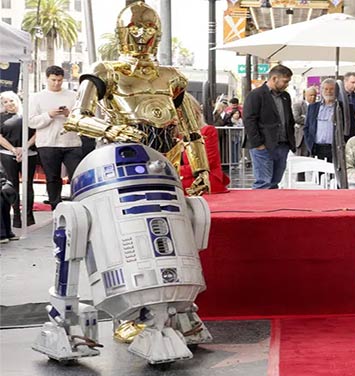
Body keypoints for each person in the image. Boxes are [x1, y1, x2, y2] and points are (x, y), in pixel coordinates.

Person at [63, 1, 211, 196]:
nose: (142, 34)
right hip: (124, 154)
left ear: (157, 33)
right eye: (134, 28)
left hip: (168, 159)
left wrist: (201, 170)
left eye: (149, 28)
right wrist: (112, 130)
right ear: (122, 32)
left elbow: (191, 131)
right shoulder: (105, 71)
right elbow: (76, 118)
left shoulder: (172, 76)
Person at [28, 65, 82, 210]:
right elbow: (31, 121)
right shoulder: (36, 97)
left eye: (59, 80)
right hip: (48, 143)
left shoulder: (73, 95)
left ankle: (79, 205)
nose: (56, 83)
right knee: (52, 178)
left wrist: (68, 114)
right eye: (53, 80)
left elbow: (82, 117)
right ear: (47, 79)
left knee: (76, 175)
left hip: (72, 142)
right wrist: (49, 115)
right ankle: (55, 207)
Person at [243, 64, 295, 189]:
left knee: (274, 182)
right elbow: (249, 120)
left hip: (282, 145)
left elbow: (289, 119)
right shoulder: (256, 95)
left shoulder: (285, 97)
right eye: (285, 81)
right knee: (263, 183)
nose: (287, 84)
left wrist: (289, 142)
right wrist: (258, 144)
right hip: (263, 146)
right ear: (274, 78)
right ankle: (260, 208)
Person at [0, 91, 38, 227]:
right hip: (8, 154)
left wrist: (25, 147)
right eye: (6, 102)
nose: (9, 104)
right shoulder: (1, 118)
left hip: (29, 154)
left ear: (17, 100)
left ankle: (28, 216)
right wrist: (13, 149)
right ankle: (16, 217)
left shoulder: (28, 116)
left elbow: (37, 133)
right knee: (12, 185)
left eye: (11, 100)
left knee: (28, 185)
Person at [180, 94, 230, 194]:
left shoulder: (207, 131)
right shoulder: (173, 134)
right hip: (182, 178)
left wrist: (174, 171)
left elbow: (206, 163)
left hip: (202, 180)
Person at [303, 79, 341, 163]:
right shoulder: (312, 107)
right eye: (326, 89)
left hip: (335, 149)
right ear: (321, 90)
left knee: (335, 175)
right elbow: (306, 127)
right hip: (317, 148)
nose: (329, 91)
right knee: (319, 175)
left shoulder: (342, 107)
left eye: (332, 89)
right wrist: (310, 145)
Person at [293, 87, 317, 157]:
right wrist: (311, 120)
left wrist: (305, 118)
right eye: (311, 95)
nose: (313, 97)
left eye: (315, 95)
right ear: (305, 95)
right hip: (301, 137)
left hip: (313, 138)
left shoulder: (317, 106)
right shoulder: (298, 105)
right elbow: (296, 118)